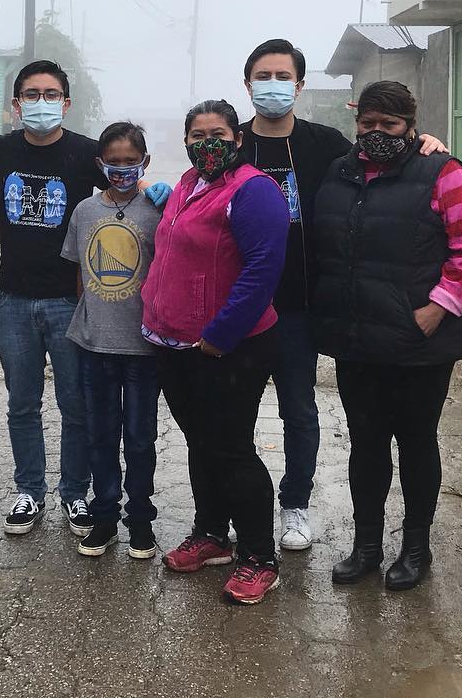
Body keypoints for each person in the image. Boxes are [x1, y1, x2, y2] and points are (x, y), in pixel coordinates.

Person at [238, 39, 447, 552]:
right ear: (247, 84)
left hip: (301, 306)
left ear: (299, 85)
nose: (272, 86)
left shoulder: (325, 144)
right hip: (239, 308)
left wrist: (427, 143)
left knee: (299, 412)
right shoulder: (232, 143)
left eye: (281, 76)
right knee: (234, 413)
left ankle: (295, 505)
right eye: (261, 76)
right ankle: (234, 503)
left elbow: (386, 156)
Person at [0, 61, 170, 537]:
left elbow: (121, 181)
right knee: (22, 402)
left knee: (75, 404)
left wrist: (154, 189)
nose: (41, 103)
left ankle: (74, 493)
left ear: (66, 102)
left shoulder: (84, 153)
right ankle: (29, 491)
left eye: (51, 93)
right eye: (32, 94)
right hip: (13, 298)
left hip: (68, 302)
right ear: (16, 104)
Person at [310, 80, 462, 592]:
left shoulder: (442, 172)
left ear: (411, 126)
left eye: (390, 126)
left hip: (420, 343)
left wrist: (436, 310)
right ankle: (366, 546)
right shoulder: (340, 172)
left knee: (415, 443)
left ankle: (415, 547)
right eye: (369, 125)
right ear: (356, 123)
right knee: (366, 443)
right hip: (358, 337)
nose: (378, 134)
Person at [142, 99, 289, 606]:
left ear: (237, 138)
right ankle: (211, 536)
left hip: (228, 346)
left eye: (218, 134)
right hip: (173, 342)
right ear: (185, 141)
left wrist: (219, 335)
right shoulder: (186, 184)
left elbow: (262, 273)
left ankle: (259, 557)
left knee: (231, 448)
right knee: (201, 442)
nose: (208, 143)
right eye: (197, 134)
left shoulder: (254, 190)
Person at [60, 122, 161, 561]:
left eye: (129, 161)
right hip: (94, 345)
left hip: (143, 347)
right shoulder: (84, 211)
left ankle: (140, 518)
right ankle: (104, 517)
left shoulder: (157, 210)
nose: (122, 169)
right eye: (113, 162)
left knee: (140, 438)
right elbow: (80, 273)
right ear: (100, 164)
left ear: (145, 162)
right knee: (101, 436)